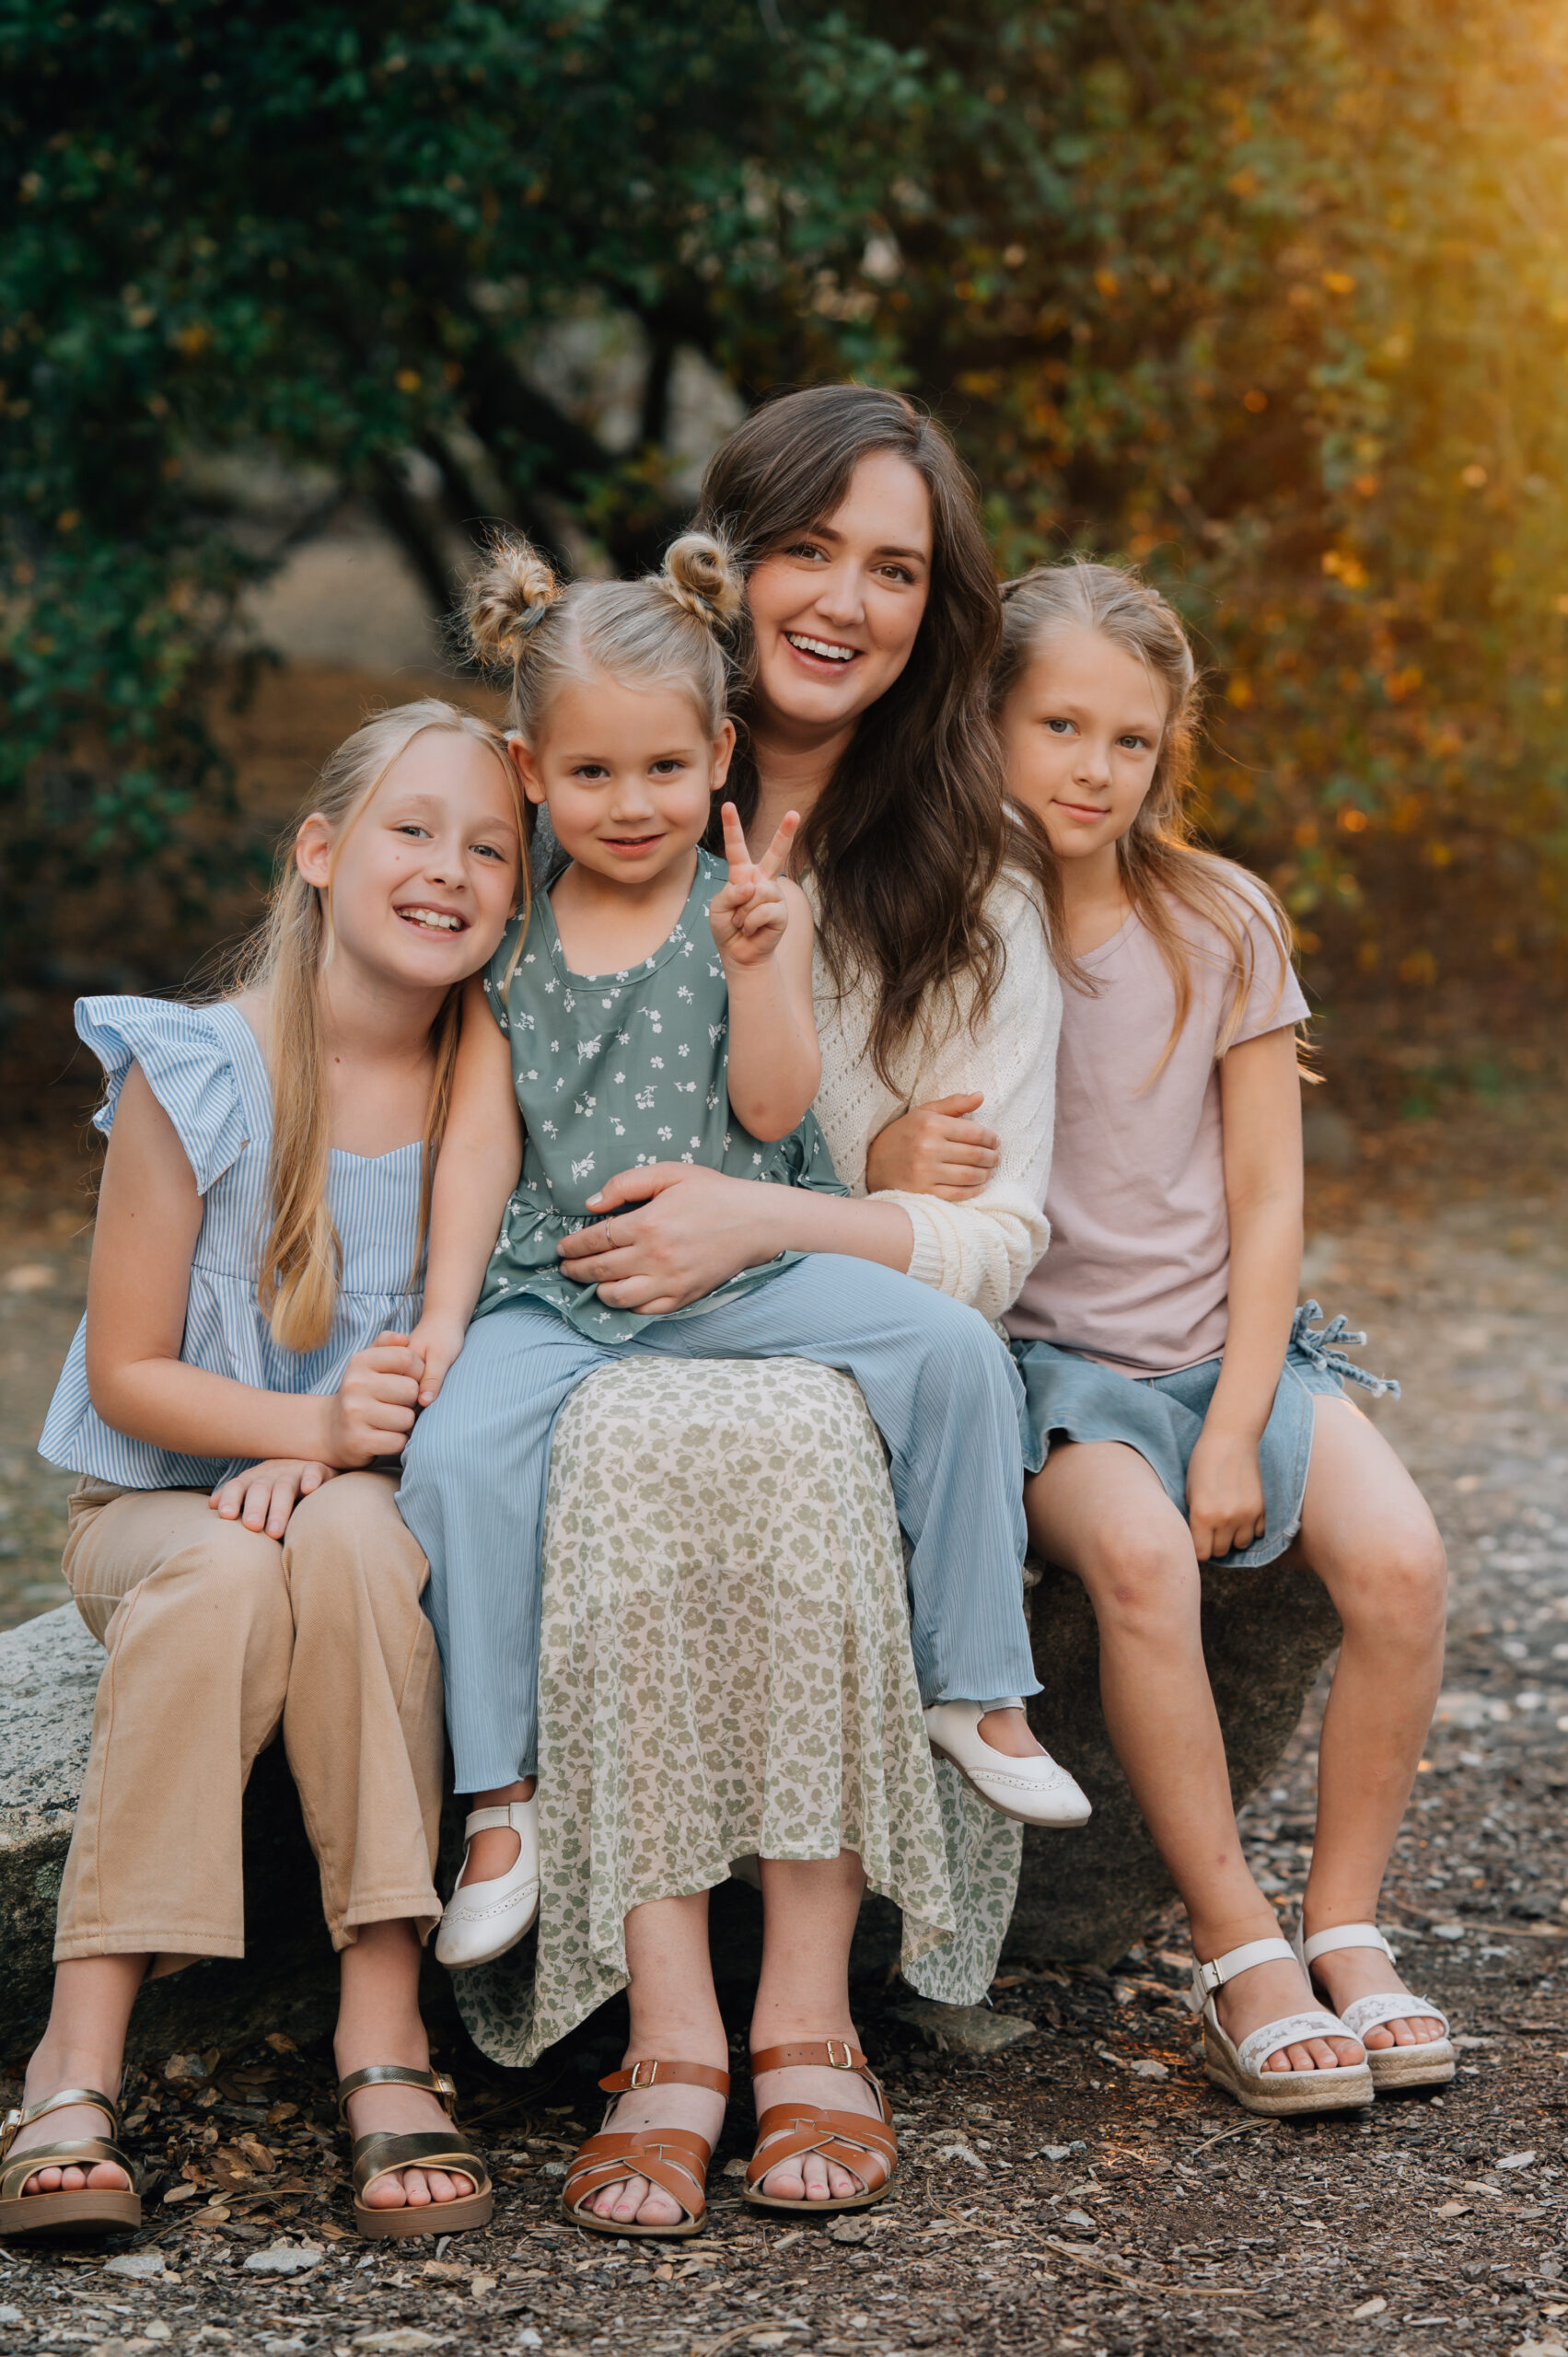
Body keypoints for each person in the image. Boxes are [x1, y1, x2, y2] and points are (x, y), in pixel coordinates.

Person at [433, 386, 1072, 2231]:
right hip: (578, 1303)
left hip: (795, 1309)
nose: (848, 599)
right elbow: (435, 1046)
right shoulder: (546, 830)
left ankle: (809, 2010)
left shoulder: (969, 867)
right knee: (567, 1448)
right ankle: (645, 2001)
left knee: (796, 1430)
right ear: (730, 573)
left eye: (898, 568)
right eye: (809, 549)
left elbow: (980, 1230)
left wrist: (781, 1211)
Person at [0, 704, 522, 2242]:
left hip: (365, 1500)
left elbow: (449, 1366)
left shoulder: (479, 1089)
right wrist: (301, 1434)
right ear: (320, 852)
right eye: (411, 829)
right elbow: (127, 1373)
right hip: (157, 1506)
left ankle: (383, 2025)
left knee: (355, 1548)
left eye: (491, 848)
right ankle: (76, 2052)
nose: (450, 869)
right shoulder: (203, 1073)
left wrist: (336, 1465)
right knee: (231, 1566)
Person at [991, 561, 1453, 2114]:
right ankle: (1234, 1936)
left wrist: (1243, 1418)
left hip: (1225, 1351)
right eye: (1059, 723)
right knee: (1137, 1561)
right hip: (1056, 1383)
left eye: (1130, 740)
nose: (1092, 767)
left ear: (1168, 752)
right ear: (989, 723)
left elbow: (1267, 1204)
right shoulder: (955, 932)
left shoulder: (1221, 919)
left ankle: (1347, 1922)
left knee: (1400, 1565)